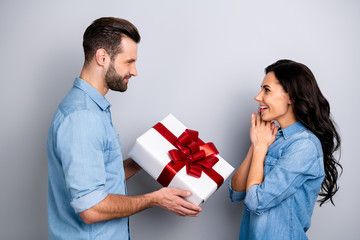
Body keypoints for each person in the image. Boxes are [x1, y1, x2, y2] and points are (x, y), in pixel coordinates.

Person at [47, 17, 201, 240]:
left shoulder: (93, 109)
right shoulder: (82, 117)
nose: (135, 71)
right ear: (102, 57)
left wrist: (144, 158)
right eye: (129, 62)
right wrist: (155, 199)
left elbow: (98, 177)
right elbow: (91, 209)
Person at [228, 59, 342, 240]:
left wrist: (259, 147)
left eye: (266, 90)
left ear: (291, 97)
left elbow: (255, 202)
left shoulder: (304, 146)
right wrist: (257, 144)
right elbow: (236, 192)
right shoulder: (270, 138)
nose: (258, 97)